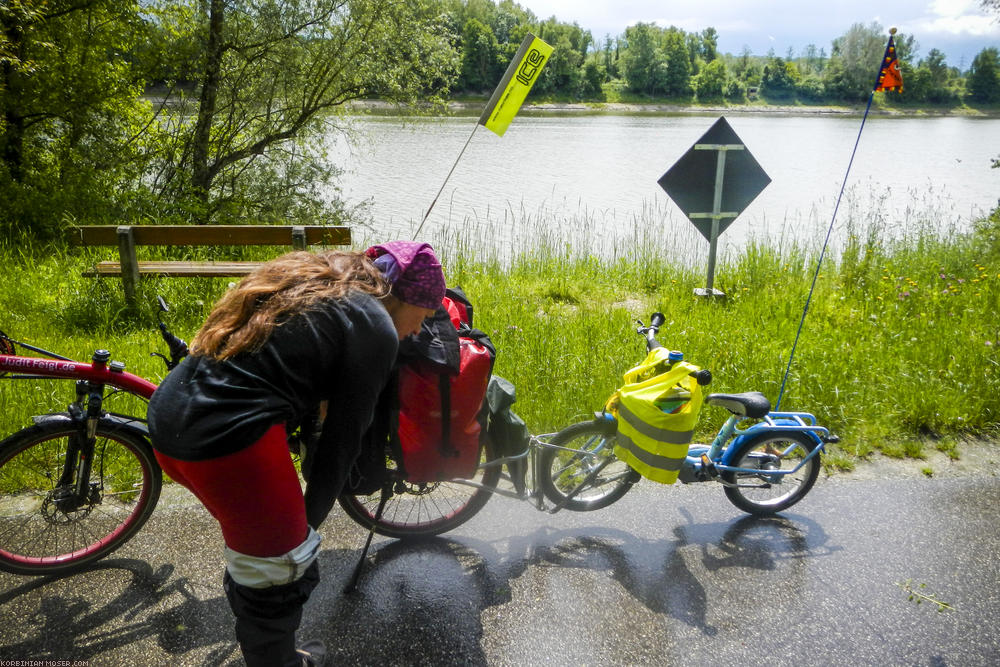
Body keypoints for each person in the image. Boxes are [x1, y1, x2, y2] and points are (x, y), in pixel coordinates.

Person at [147, 242, 446, 667]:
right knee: (280, 574)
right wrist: (302, 537)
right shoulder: (377, 327)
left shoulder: (316, 280)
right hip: (227, 444)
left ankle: (270, 633)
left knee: (260, 554)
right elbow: (342, 446)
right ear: (406, 299)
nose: (419, 332)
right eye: (425, 317)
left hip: (169, 420)